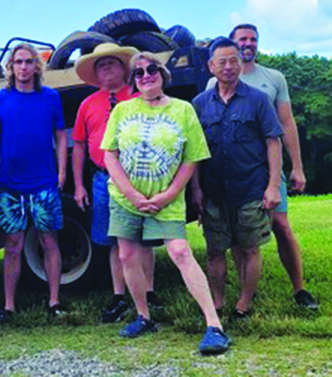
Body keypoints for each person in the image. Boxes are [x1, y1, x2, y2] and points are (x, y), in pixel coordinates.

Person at [100, 52, 230, 354]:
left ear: (163, 74)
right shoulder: (121, 110)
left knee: (181, 252)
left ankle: (214, 326)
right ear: (133, 81)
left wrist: (168, 195)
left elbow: (191, 158)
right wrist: (133, 195)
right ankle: (143, 316)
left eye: (152, 69)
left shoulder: (183, 110)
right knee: (127, 256)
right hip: (125, 198)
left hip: (166, 199)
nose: (146, 75)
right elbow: (110, 154)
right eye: (139, 72)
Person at [205, 24, 318, 309]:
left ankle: (299, 288)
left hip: (269, 168)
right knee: (240, 237)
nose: (248, 43)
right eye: (242, 39)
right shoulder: (211, 86)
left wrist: (298, 168)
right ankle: (246, 294)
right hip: (235, 172)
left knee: (280, 224)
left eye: (253, 39)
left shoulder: (273, 78)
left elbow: (286, 124)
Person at [192, 37, 283, 319]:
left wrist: (273, 186)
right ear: (211, 66)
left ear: (241, 65)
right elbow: (194, 151)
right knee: (215, 251)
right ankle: (218, 301)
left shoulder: (258, 100)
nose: (229, 66)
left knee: (250, 248)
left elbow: (273, 142)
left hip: (251, 188)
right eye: (222, 61)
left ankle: (244, 302)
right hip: (214, 190)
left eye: (235, 60)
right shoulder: (199, 104)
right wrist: (196, 188)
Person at [72, 43, 160, 323]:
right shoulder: (87, 104)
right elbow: (79, 146)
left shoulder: (139, 97)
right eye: (100, 65)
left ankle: (149, 293)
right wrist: (78, 184)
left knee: (145, 239)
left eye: (111, 62)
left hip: (139, 176)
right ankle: (119, 295)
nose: (106, 67)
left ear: (125, 68)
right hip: (102, 179)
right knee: (114, 241)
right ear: (95, 74)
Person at [0, 43, 67, 320]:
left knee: (49, 240)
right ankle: (9, 305)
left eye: (28, 62)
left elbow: (60, 135)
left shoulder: (50, 97)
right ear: (10, 67)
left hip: (44, 182)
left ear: (37, 66)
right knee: (13, 244)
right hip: (10, 185)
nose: (23, 67)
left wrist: (62, 172)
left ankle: (54, 301)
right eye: (18, 62)